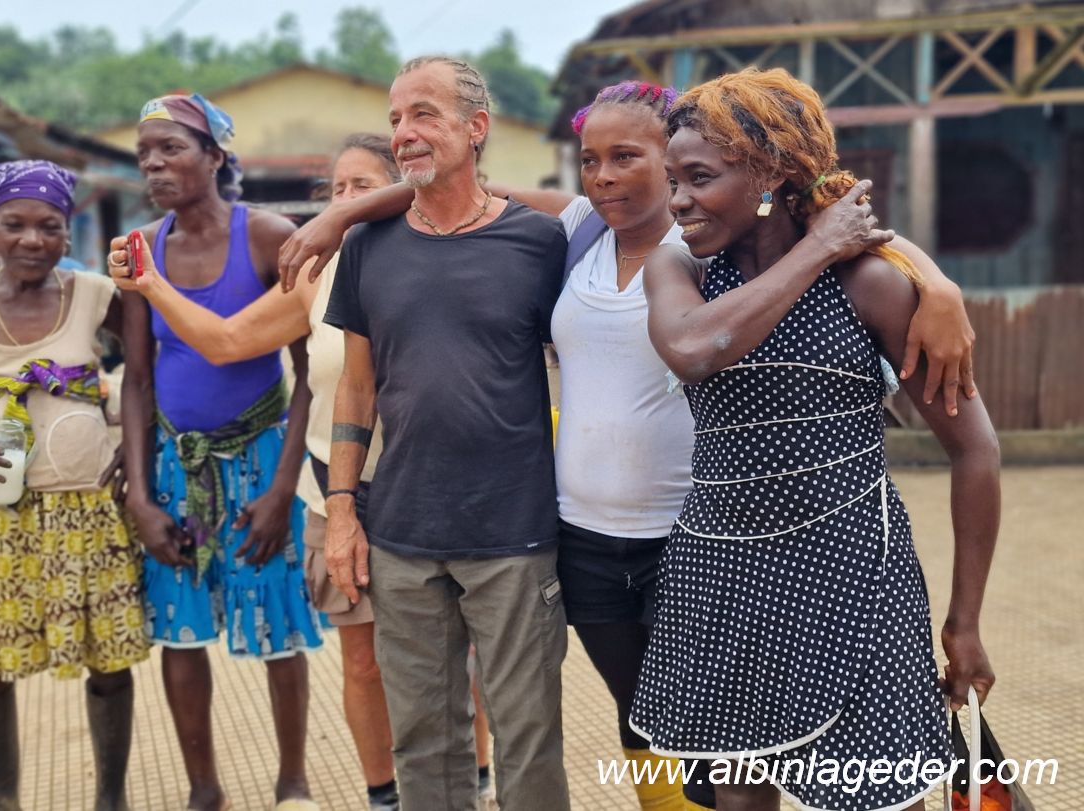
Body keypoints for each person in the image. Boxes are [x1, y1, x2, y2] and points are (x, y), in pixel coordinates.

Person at [280, 79, 977, 811]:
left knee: (716, 755)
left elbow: (833, 230)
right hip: (583, 535)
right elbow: (463, 188)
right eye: (590, 159)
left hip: (692, 539)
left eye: (628, 157)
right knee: (645, 724)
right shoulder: (580, 229)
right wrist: (344, 212)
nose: (604, 175)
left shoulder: (702, 240)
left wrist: (934, 281)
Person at [632, 67, 999, 810]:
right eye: (673, 180)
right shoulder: (682, 268)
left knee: (878, 795)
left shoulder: (872, 286)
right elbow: (694, 349)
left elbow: (975, 450)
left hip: (855, 578)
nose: (677, 201)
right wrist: (818, 248)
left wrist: (964, 621)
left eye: (699, 177)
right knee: (738, 794)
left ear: (770, 173)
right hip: (723, 579)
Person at [107, 133, 499, 811]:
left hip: (438, 491)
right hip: (340, 497)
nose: (344, 202)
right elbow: (227, 339)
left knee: (458, 656)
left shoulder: (446, 256)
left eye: (361, 187)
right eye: (335, 190)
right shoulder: (316, 275)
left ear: (399, 190)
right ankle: (384, 795)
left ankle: (480, 777)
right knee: (363, 661)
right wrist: (150, 284)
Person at [314, 56, 570, 811]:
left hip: (515, 534)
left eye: (423, 113)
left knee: (527, 739)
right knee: (424, 740)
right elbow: (357, 385)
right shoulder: (369, 246)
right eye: (396, 118)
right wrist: (341, 510)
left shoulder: (538, 243)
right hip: (401, 533)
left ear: (476, 126)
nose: (404, 132)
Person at [104, 93, 323, 811]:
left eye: (171, 148)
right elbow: (137, 379)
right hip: (177, 465)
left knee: (280, 623)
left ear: (215, 156)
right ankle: (204, 788)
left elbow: (310, 373)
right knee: (180, 628)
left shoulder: (266, 237)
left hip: (262, 458)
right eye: (144, 154)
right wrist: (141, 497)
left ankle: (293, 782)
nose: (154, 164)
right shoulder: (140, 252)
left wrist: (284, 487)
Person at [0, 159, 147, 811]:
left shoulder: (96, 295)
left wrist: (134, 447)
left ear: (67, 233)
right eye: (15, 224)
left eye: (49, 226)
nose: (32, 239)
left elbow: (147, 371)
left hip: (89, 512)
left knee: (109, 660)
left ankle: (111, 799)